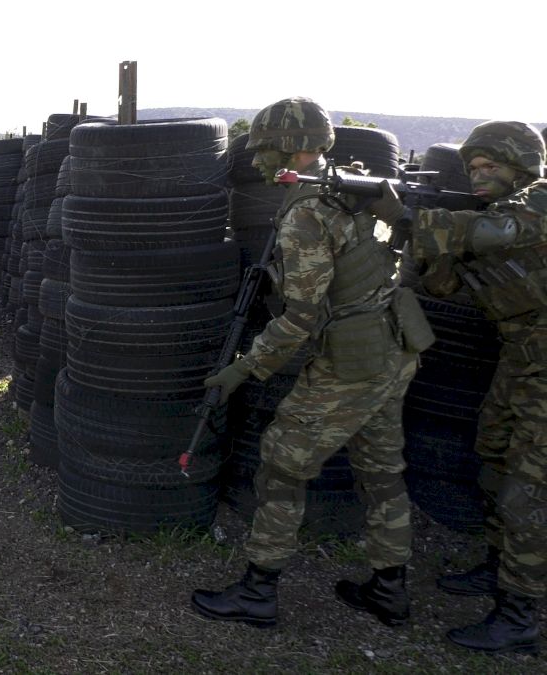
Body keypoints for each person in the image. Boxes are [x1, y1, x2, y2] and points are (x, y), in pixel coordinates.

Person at [190, 97, 426, 628]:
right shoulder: (355, 187)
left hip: (353, 364)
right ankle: (389, 590)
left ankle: (258, 592)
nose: (256, 160)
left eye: (265, 148)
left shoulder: (307, 215)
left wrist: (242, 369)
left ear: (293, 149)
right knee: (382, 470)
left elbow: (299, 317)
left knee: (279, 464)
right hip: (396, 349)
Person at [370, 120, 546, 655]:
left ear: (521, 167)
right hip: (522, 362)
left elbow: (497, 236)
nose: (479, 175)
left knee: (529, 492)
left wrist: (408, 214)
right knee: (492, 460)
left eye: (491, 166)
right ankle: (501, 569)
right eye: (472, 167)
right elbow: (443, 285)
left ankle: (519, 615)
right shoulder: (483, 215)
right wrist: (418, 241)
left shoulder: (538, 203)